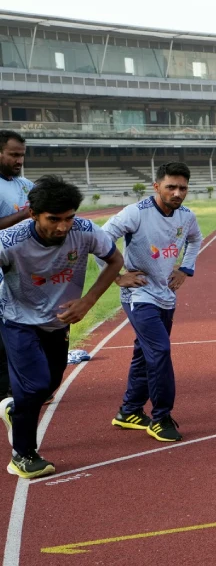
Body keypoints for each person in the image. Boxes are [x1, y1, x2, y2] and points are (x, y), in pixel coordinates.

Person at [0, 176, 123, 479]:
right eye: (53, 219)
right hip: (18, 319)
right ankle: (23, 456)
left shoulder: (84, 231)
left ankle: (16, 411)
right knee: (35, 384)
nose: (63, 226)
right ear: (33, 214)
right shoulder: (9, 242)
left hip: (58, 321)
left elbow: (115, 260)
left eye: (68, 218)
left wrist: (88, 302)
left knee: (49, 385)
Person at [102, 162, 203, 442]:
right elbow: (101, 239)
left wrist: (185, 269)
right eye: (171, 186)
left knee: (144, 352)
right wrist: (117, 277)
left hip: (165, 294)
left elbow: (195, 239)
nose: (177, 192)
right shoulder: (136, 213)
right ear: (156, 186)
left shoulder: (187, 216)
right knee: (159, 350)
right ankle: (160, 417)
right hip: (139, 294)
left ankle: (130, 410)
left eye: (182, 187)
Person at [0, 130, 33, 401]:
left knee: (25, 328)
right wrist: (25, 213)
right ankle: (8, 391)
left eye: (21, 154)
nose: (19, 160)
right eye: (13, 154)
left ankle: (24, 385)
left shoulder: (25, 185)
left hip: (25, 270)